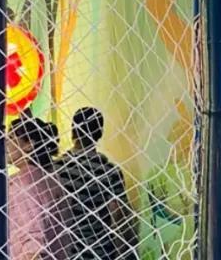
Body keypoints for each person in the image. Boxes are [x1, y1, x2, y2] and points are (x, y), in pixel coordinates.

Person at [58, 107, 136, 259]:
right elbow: (120, 213)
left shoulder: (57, 168)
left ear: (73, 131)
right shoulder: (109, 171)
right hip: (100, 252)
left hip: (66, 252)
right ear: (99, 134)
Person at [8, 116, 71, 260]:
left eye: (11, 137)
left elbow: (32, 246)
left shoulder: (23, 183)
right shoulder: (51, 178)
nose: (5, 142)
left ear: (29, 145)